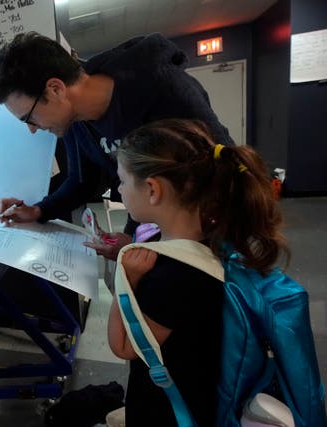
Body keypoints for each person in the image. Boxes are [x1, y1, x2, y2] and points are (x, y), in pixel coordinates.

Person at [107, 118, 287, 426]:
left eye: (122, 180)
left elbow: (123, 346)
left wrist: (128, 276)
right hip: (202, 384)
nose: (119, 190)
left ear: (153, 189)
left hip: (172, 410)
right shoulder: (214, 240)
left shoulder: (172, 278)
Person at [0, 32, 233, 259]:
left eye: (29, 118)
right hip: (163, 238)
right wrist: (38, 211)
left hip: (214, 238)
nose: (32, 129)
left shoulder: (162, 88)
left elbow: (225, 167)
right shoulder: (75, 121)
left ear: (55, 89)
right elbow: (82, 181)